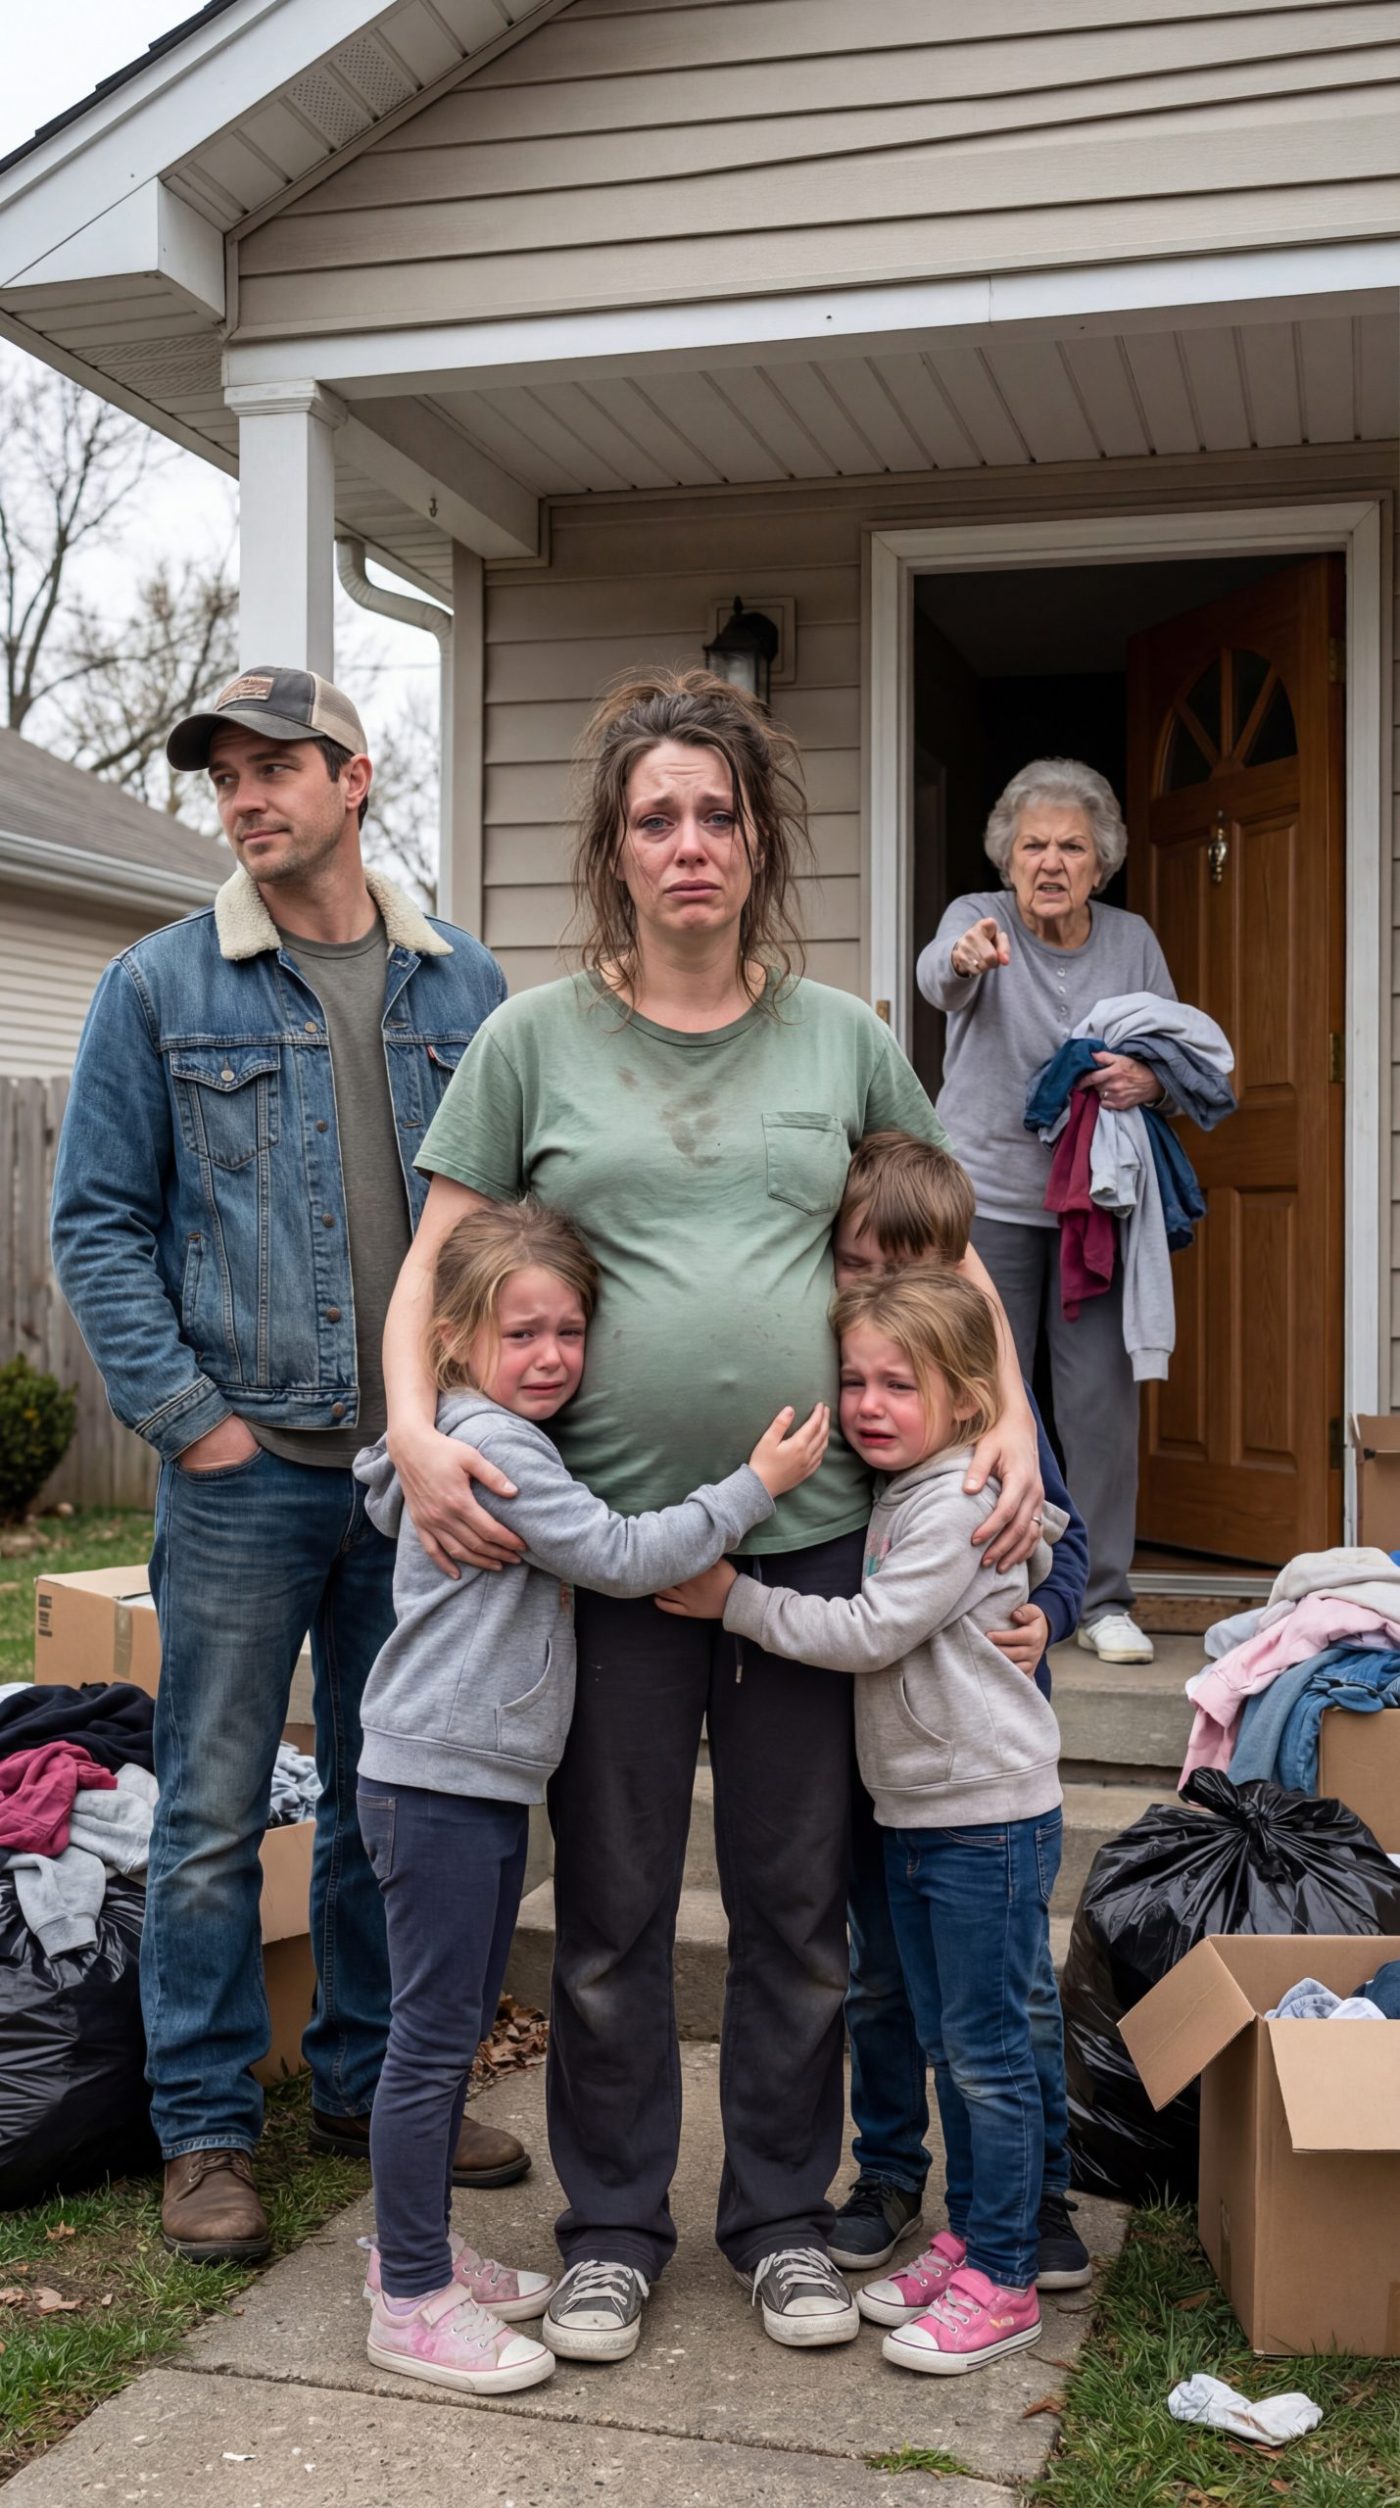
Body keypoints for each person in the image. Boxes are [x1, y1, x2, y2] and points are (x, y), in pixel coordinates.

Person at [379, 668, 1046, 2360]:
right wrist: (416, 1428)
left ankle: (778, 2218)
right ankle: (611, 2227)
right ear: (614, 844)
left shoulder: (839, 1038)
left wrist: (1012, 1425)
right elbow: (433, 1266)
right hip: (601, 1555)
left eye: (718, 813)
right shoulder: (536, 1038)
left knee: (795, 1904)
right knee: (607, 1908)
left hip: (810, 1539)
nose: (690, 842)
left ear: (757, 840)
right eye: (656, 814)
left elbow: (948, 1249)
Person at [49, 667, 523, 2265]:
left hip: (420, 1477)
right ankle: (203, 2129)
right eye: (226, 778)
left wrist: (477, 1419)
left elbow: (521, 1233)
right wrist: (199, 1423)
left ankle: (371, 2082)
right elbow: (96, 1226)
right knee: (208, 1806)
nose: (248, 798)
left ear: (356, 777)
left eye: (277, 769)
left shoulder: (470, 993)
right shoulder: (159, 986)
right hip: (247, 1468)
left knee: (398, 1795)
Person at [352, 1196, 829, 2388]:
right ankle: (407, 2294)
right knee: (427, 2044)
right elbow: (619, 1557)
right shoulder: (501, 1452)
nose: (553, 1356)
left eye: (570, 1330)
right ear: (455, 1337)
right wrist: (751, 1487)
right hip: (441, 1780)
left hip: (465, 1775)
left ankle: (420, 2257)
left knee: (448, 2028)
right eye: (522, 1334)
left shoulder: (476, 1437)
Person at [659, 1268, 1065, 2377]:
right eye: (855, 1380)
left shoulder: (958, 1496)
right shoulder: (908, 1488)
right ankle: (967, 2239)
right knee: (949, 2042)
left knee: (982, 2053)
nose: (872, 1403)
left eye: (901, 1384)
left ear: (972, 1400)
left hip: (983, 1815)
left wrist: (732, 1600)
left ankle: (1005, 2276)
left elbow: (875, 1628)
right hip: (928, 1811)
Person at [824, 1131, 1092, 2294]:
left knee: (1004, 2005)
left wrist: (1051, 1615)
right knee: (881, 1981)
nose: (889, 1291)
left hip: (970, 1757)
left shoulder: (984, 1416)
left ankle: (1027, 2212)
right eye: (859, 1264)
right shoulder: (851, 1380)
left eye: (921, 1267)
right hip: (871, 1746)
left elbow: (1055, 1530)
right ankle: (890, 2175)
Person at [918, 757, 1177, 1668]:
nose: (1051, 861)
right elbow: (936, 979)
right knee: (983, 1391)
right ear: (1009, 856)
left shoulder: (1132, 938)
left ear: (1100, 864)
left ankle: (1101, 1595)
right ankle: (980, 1577)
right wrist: (964, 959)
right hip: (984, 1198)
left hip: (1093, 1203)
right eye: (1034, 844)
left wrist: (1149, 1076)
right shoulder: (973, 919)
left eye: (1072, 846)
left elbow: (1170, 1046)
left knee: (1097, 1399)